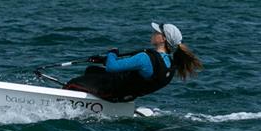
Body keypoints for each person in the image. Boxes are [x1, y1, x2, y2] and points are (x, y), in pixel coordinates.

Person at [64, 22, 203, 103]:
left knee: (71, 83)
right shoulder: (170, 65)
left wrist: (112, 52)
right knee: (92, 70)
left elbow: (112, 67)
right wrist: (107, 60)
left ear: (163, 39)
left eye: (156, 32)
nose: (153, 33)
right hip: (126, 96)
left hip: (111, 92)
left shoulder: (145, 57)